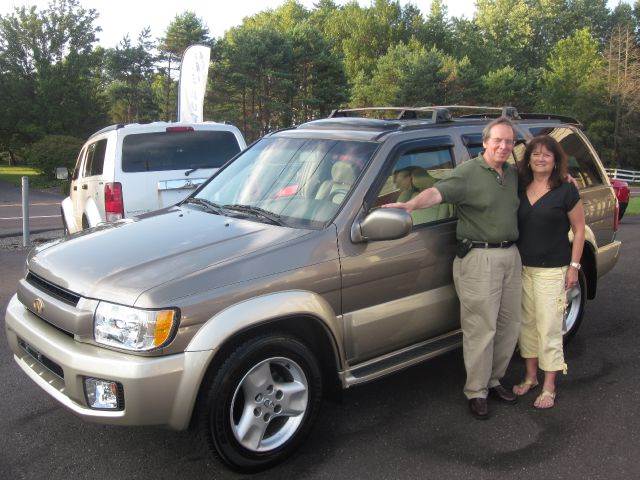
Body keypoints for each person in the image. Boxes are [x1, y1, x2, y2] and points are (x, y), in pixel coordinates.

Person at [383, 117, 521, 419]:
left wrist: (566, 178)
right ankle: (477, 391)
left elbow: (544, 175)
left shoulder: (511, 174)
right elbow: (438, 193)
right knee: (481, 328)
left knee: (510, 325)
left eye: (509, 141)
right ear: (484, 142)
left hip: (511, 255)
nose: (503, 146)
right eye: (497, 140)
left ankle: (494, 380)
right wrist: (409, 206)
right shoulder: (468, 172)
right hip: (479, 258)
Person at [512, 135, 585, 409]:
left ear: (555, 161)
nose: (540, 159)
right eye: (535, 154)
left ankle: (549, 386)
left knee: (549, 329)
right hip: (521, 269)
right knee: (527, 327)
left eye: (546, 155)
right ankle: (530, 377)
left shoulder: (566, 190)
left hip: (552, 271)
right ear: (528, 159)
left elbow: (579, 230)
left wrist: (574, 267)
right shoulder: (519, 185)